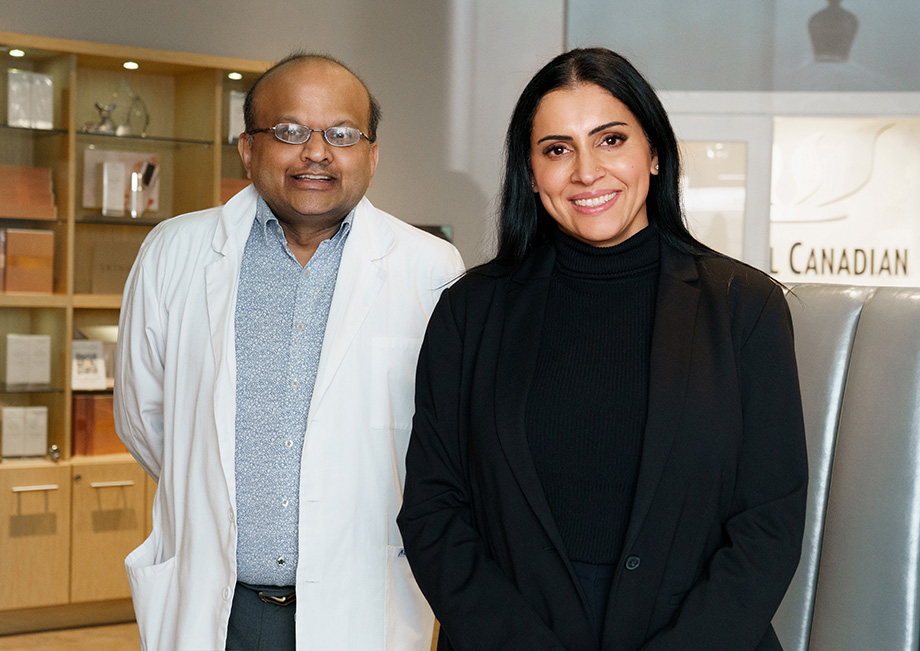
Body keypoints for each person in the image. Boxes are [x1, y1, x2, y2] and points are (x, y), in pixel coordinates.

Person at [397, 47, 808, 651]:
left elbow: (769, 522)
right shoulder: (470, 311)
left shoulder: (746, 306)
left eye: (610, 140)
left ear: (656, 154)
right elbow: (433, 512)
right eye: (557, 149)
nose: (586, 171)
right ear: (531, 173)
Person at [114, 53, 464, 651]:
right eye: (289, 132)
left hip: (362, 599)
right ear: (248, 149)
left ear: (372, 155)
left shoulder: (431, 270)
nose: (316, 152)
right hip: (216, 606)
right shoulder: (174, 251)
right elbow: (145, 419)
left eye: (342, 134)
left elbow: (442, 441)